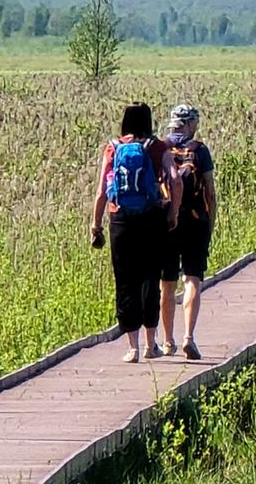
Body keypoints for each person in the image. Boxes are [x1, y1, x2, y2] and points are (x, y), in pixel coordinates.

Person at [90, 102, 182, 363]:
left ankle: (132, 347)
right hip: (151, 218)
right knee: (150, 278)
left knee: (125, 280)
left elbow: (100, 192)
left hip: (120, 219)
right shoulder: (157, 147)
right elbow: (175, 180)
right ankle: (151, 343)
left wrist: (96, 225)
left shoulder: (113, 148)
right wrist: (173, 213)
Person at [157, 103, 216, 361]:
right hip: (195, 222)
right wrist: (210, 221)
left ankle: (167, 341)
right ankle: (188, 338)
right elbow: (210, 192)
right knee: (192, 277)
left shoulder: (160, 149)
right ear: (190, 124)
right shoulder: (199, 151)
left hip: (167, 223)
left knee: (166, 283)